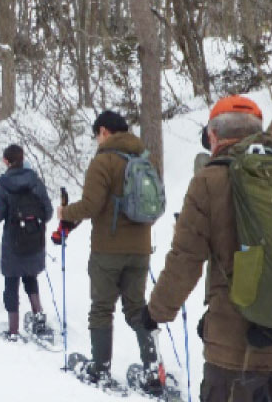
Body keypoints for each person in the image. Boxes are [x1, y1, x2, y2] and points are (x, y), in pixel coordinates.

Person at [144, 96, 272, 402]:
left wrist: (157, 312)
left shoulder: (208, 181)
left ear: (213, 136)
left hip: (238, 353)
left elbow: (185, 260)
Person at [57, 110, 160, 391]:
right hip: (140, 248)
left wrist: (65, 212)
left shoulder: (103, 161)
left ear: (103, 131)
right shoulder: (144, 158)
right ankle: (153, 368)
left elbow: (91, 206)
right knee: (137, 308)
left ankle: (99, 368)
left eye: (96, 135)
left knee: (102, 309)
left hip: (108, 249)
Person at [0, 144, 53, 342]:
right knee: (31, 278)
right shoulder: (36, 181)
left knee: (11, 282)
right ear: (23, 158)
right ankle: (38, 315)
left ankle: (13, 329)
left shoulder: (4, 184)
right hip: (34, 239)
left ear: (6, 161)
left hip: (13, 241)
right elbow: (47, 212)